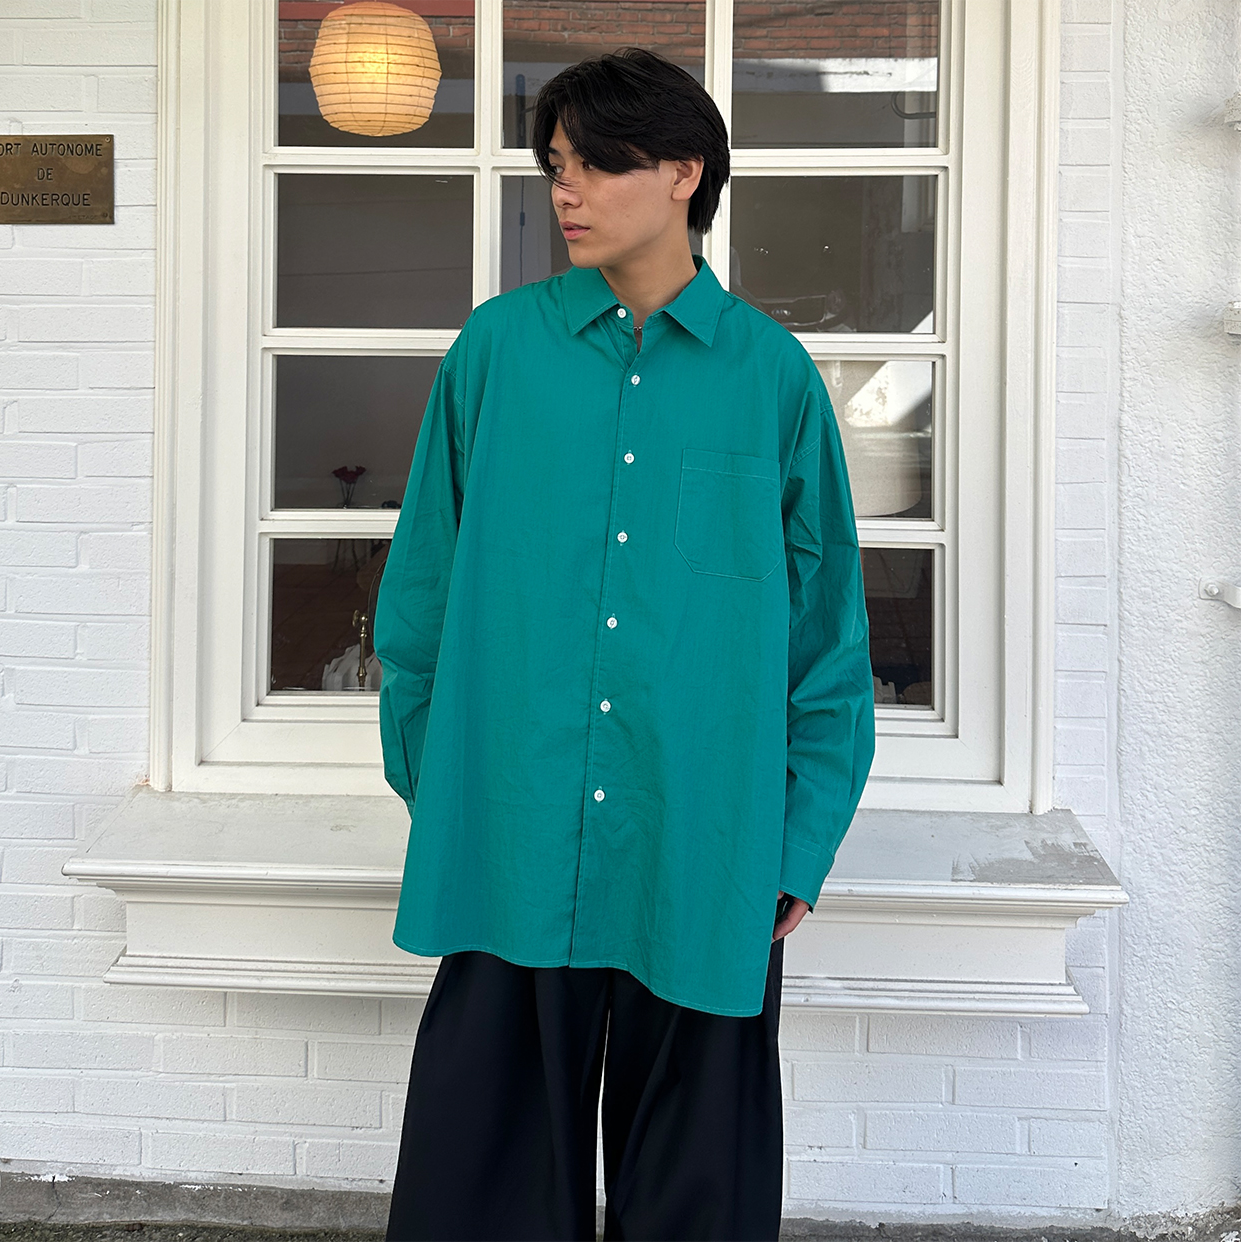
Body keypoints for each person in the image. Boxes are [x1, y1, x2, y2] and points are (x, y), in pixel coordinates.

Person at [373, 46, 875, 1242]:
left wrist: (797, 839)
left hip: (701, 841)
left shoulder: (773, 380)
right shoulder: (496, 353)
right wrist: (449, 785)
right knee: (482, 1184)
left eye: (598, 165)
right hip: (511, 833)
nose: (567, 191)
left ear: (684, 174)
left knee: (701, 1191)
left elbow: (827, 641)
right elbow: (422, 599)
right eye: (557, 165)